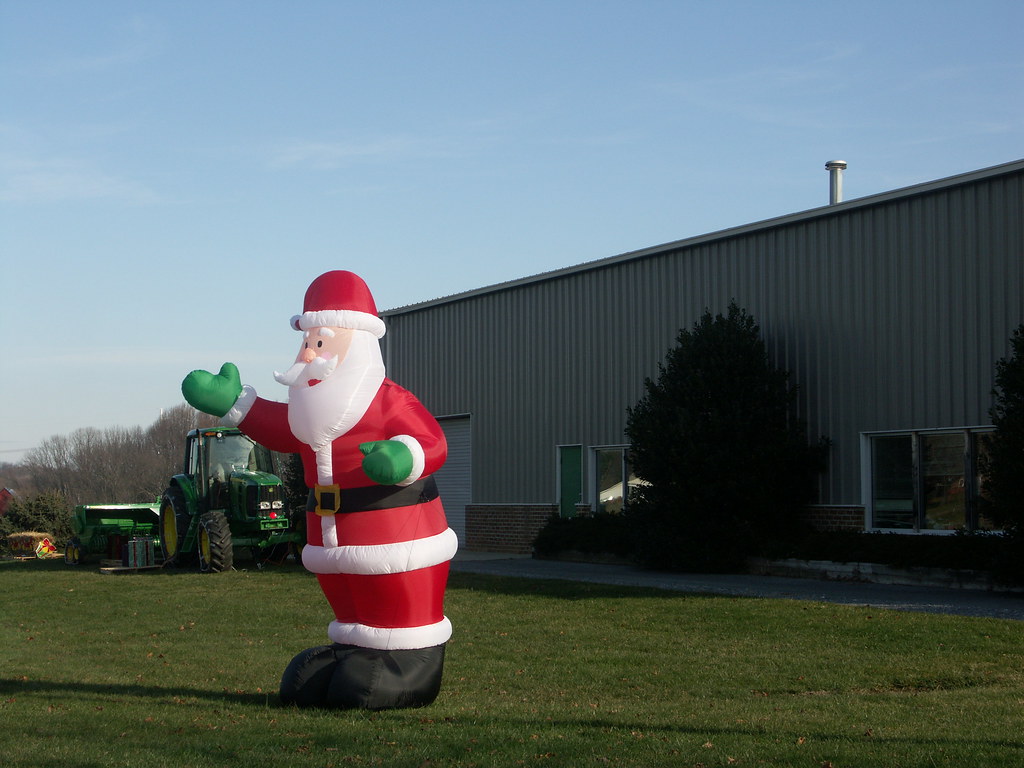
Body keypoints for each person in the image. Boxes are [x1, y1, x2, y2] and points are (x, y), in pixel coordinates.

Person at [181, 270, 457, 709]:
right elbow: (284, 428)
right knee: (350, 604)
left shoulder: (388, 400)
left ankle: (414, 662)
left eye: (321, 342)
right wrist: (235, 405)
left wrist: (402, 458)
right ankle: (356, 648)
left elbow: (431, 441)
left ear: (357, 343)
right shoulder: (310, 409)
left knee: (394, 596)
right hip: (329, 531)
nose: (308, 352)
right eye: (306, 341)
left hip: (395, 528)